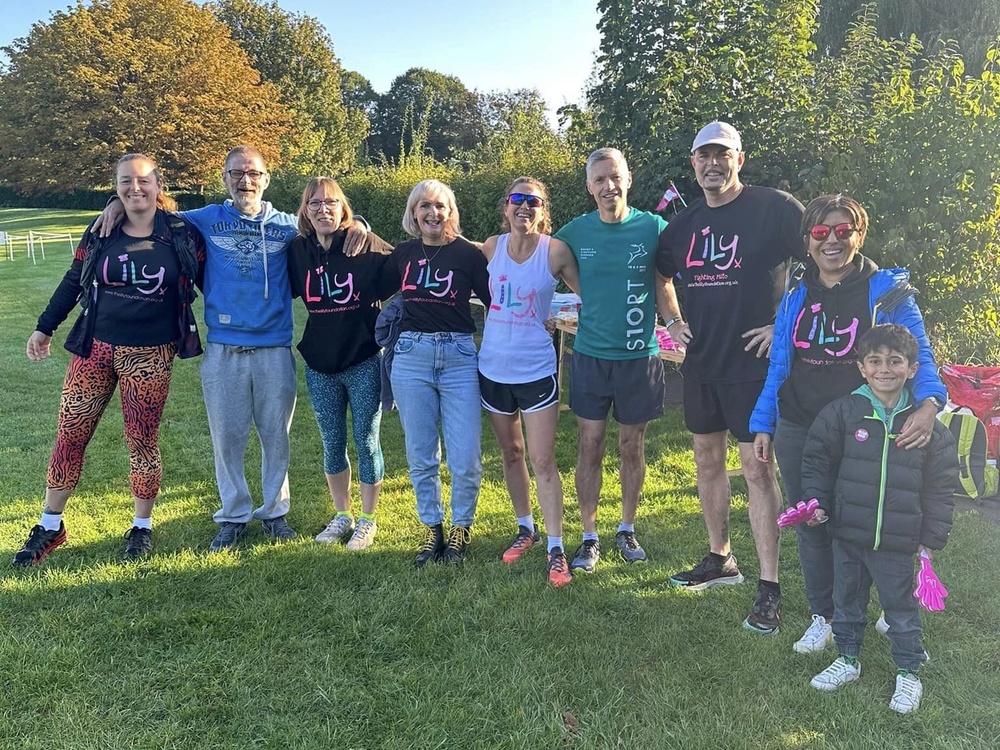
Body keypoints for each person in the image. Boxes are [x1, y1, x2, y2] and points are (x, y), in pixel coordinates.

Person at [94, 146, 367, 551]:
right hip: (224, 349)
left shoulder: (287, 225)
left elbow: (330, 223)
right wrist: (116, 203)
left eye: (253, 173)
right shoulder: (205, 219)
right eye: (237, 173)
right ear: (225, 178)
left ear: (266, 178)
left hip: (275, 348)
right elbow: (149, 213)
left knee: (277, 437)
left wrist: (358, 220)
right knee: (228, 439)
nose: (246, 181)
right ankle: (234, 515)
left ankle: (275, 513)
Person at [749, 194, 947, 653]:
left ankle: (886, 605)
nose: (832, 240)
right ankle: (825, 613)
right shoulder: (797, 295)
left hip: (868, 426)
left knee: (871, 520)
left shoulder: (888, 291)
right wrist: (765, 421)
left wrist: (929, 404)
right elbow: (780, 363)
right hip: (800, 424)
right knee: (812, 520)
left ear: (860, 235)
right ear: (807, 241)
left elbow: (920, 353)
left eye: (843, 231)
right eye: (821, 232)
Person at [14, 153, 204, 565]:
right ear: (115, 187)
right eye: (124, 183)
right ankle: (50, 525)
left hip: (150, 353)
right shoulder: (102, 231)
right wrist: (45, 326)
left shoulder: (181, 234)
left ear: (158, 184)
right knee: (70, 433)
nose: (134, 189)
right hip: (95, 350)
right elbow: (72, 279)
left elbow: (215, 279)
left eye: (143, 181)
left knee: (141, 441)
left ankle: (141, 527)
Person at [655, 121, 805, 634]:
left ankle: (769, 586)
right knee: (706, 459)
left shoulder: (775, 207)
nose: (713, 163)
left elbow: (824, 263)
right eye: (704, 156)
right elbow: (661, 274)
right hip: (702, 365)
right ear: (693, 164)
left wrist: (783, 326)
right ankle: (720, 558)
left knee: (758, 469)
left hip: (754, 367)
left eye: (723, 155)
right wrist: (673, 320)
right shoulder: (683, 224)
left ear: (740, 159)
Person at [800, 324, 957, 714]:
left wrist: (930, 539)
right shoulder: (842, 413)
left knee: (901, 610)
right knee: (847, 603)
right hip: (848, 534)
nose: (885, 369)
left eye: (895, 361)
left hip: (899, 541)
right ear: (861, 368)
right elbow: (817, 460)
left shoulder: (927, 428)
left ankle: (908, 672)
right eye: (875, 361)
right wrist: (815, 503)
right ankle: (848, 660)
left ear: (911, 368)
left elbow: (940, 487)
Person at [554, 148, 670, 573]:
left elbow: (663, 283)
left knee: (631, 445)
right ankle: (588, 536)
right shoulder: (574, 232)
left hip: (639, 357)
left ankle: (626, 527)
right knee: (590, 445)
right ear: (589, 186)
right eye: (600, 180)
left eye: (615, 177)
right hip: (590, 356)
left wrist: (674, 321)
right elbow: (536, 255)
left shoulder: (654, 227)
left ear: (628, 178)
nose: (609, 187)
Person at [478, 177, 581, 587]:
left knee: (542, 459)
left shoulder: (554, 251)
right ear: (506, 207)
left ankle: (556, 547)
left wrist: (567, 316)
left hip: (536, 369)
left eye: (533, 201)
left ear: (543, 210)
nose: (524, 207)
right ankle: (526, 528)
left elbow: (588, 293)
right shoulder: (491, 247)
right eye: (517, 199)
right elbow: (445, 241)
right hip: (492, 370)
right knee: (510, 453)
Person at [287, 177, 396, 550]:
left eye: (331, 202)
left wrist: (364, 226)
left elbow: (404, 265)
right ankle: (341, 514)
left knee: (367, 441)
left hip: (363, 358)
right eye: (314, 203)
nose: (323, 209)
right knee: (332, 443)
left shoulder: (362, 243)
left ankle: (367, 519)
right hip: (320, 364)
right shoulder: (297, 251)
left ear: (343, 207)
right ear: (305, 210)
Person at [390, 179, 491, 566]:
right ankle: (430, 529)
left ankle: (460, 530)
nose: (433, 213)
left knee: (465, 457)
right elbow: (367, 281)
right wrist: (358, 231)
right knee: (421, 455)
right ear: (414, 212)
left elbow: (495, 302)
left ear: (451, 212)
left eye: (440, 206)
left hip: (459, 357)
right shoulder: (402, 254)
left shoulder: (469, 254)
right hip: (411, 356)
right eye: (424, 206)